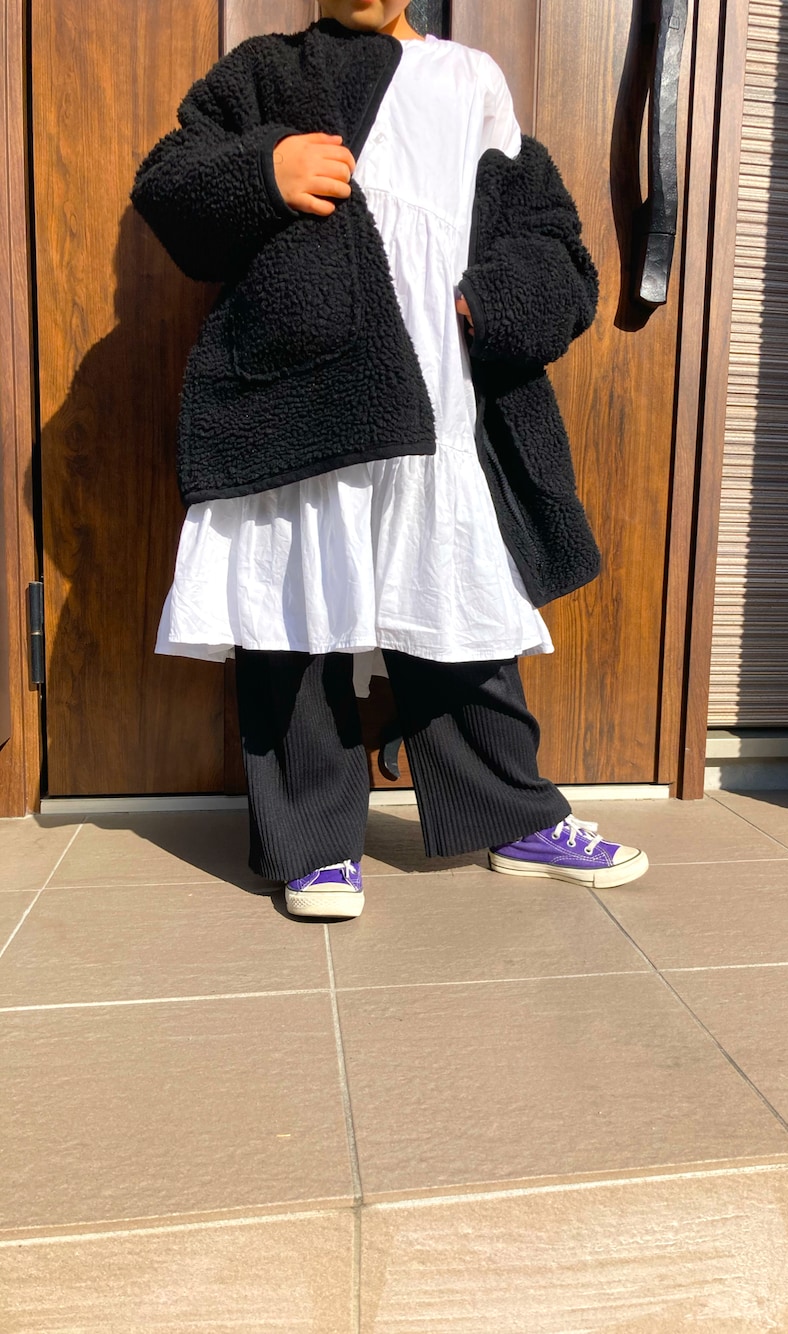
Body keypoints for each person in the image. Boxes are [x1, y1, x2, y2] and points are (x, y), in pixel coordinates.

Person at [131, 0, 649, 920]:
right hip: (305, 391)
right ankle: (314, 843)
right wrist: (266, 170)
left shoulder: (471, 79)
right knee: (293, 610)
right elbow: (170, 181)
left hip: (439, 396)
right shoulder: (268, 71)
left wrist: (494, 300)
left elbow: (547, 236)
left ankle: (512, 813)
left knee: (456, 603)